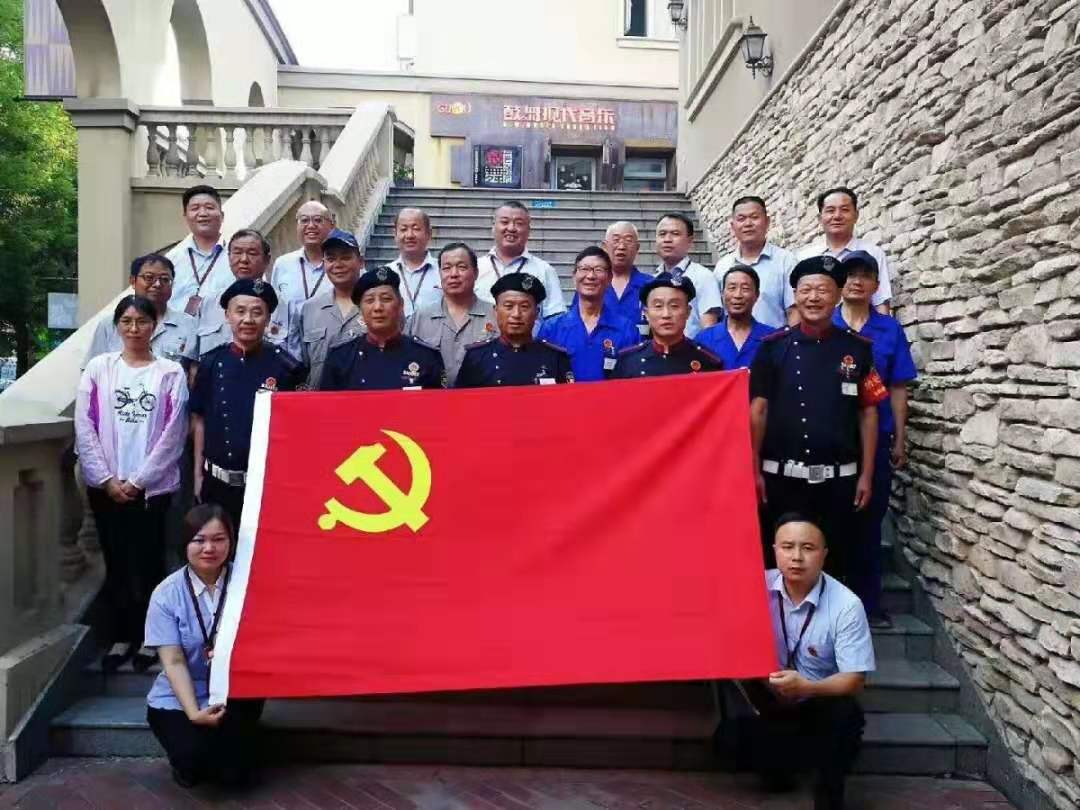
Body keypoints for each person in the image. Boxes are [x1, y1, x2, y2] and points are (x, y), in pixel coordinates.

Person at [749, 256, 888, 580]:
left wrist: (867, 475)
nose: (813, 298)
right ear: (795, 295)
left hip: (839, 483)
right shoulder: (772, 348)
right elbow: (758, 410)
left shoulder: (858, 349)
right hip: (782, 481)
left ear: (837, 295)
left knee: (838, 564)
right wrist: (754, 469)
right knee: (778, 566)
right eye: (806, 290)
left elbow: (868, 412)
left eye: (823, 290)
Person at [75, 295, 189, 673]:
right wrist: (107, 480)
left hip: (151, 491)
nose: (134, 329)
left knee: (150, 562)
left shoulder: (170, 373)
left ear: (154, 326)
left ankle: (151, 639)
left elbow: (173, 434)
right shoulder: (100, 368)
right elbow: (85, 427)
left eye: (142, 322)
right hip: (106, 488)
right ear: (117, 326)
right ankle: (121, 636)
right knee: (116, 562)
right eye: (127, 322)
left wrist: (139, 481)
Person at [744, 513, 873, 810]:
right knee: (728, 741)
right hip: (769, 697)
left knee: (846, 715)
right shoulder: (753, 587)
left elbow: (854, 679)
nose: (797, 557)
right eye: (787, 547)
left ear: (824, 554)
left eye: (808, 548)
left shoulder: (846, 605)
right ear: (774, 550)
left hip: (817, 700)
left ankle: (829, 796)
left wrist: (806, 687)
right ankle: (780, 769)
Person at [145, 504, 265, 788]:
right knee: (191, 763)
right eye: (199, 540)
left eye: (219, 539)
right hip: (179, 697)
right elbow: (173, 661)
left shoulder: (249, 583)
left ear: (231, 543)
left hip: (233, 692)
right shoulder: (166, 594)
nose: (209, 548)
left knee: (233, 776)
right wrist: (193, 713)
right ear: (185, 544)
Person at [832, 251, 917, 627]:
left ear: (875, 285)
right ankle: (830, 603)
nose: (856, 281)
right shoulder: (826, 323)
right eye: (849, 274)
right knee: (831, 520)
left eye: (864, 275)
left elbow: (898, 387)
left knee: (869, 521)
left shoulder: (889, 330)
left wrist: (899, 438)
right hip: (831, 437)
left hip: (876, 437)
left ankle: (868, 603)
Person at [190, 279, 306, 529]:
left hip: (267, 485)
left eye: (257, 312)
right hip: (217, 482)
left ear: (268, 318)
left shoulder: (286, 367)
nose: (248, 320)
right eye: (240, 311)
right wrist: (198, 474)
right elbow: (199, 420)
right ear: (227, 316)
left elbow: (295, 430)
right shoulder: (211, 363)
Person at [320, 266, 446, 391]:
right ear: (360, 309)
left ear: (401, 304)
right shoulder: (340, 358)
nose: (378, 307)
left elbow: (439, 402)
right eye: (369, 300)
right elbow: (326, 403)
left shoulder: (426, 356)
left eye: (386, 299)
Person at [194, 229, 300, 359]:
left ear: (267, 259)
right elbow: (193, 362)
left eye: (252, 253)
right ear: (229, 257)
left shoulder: (286, 306)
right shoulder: (207, 304)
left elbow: (295, 361)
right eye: (237, 252)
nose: (244, 259)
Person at [538, 246, 639, 381]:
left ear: (609, 278)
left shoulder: (626, 329)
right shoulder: (552, 328)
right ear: (574, 276)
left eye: (598, 270)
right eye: (584, 269)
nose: (590, 276)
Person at [456, 272, 574, 387]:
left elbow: (567, 398)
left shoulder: (555, 357)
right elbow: (461, 399)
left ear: (536, 313)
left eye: (524, 307)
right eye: (509, 306)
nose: (516, 314)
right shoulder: (476, 357)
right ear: (496, 311)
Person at [407, 242, 497, 386]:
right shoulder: (420, 317)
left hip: (481, 396)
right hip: (432, 397)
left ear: (476, 273)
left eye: (462, 267)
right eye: (446, 268)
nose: (453, 274)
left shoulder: (495, 316)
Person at [84, 254, 197, 368]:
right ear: (133, 281)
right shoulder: (110, 325)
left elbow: (194, 372)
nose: (157, 284)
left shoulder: (189, 325)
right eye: (149, 277)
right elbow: (91, 371)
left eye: (165, 279)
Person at [796, 187, 892, 315]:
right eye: (830, 210)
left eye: (845, 210)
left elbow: (881, 302)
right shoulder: (805, 258)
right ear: (820, 218)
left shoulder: (873, 253)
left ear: (856, 215)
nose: (837, 216)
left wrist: (883, 326)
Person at [611, 273, 724, 378]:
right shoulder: (627, 362)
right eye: (658, 306)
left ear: (688, 312)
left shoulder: (708, 362)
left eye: (674, 306)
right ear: (646, 313)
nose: (666, 314)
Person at [713, 196, 797, 328]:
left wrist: (793, 339)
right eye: (741, 219)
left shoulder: (785, 261)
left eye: (754, 217)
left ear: (767, 222)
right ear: (733, 226)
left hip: (776, 339)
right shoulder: (723, 266)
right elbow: (717, 314)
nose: (748, 224)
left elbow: (794, 310)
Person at [299, 228, 366, 390]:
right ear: (324, 264)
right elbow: (305, 364)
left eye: (345, 257)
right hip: (320, 402)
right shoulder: (310, 309)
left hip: (364, 400)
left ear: (361, 262)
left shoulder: (376, 307)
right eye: (331, 259)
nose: (338, 265)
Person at [476, 201, 567, 319]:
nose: (511, 228)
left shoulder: (544, 270)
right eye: (504, 222)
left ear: (529, 230)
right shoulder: (475, 268)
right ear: (493, 227)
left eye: (519, 223)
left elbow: (555, 317)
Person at [653, 212, 721, 338]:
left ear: (690, 241)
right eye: (662, 234)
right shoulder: (654, 279)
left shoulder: (703, 277)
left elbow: (709, 330)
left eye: (675, 234)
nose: (667, 239)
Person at [696, 265, 777, 369]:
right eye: (732, 288)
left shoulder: (772, 339)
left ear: (756, 295)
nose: (737, 295)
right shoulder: (704, 339)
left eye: (745, 289)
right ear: (722, 294)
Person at [166, 185, 229, 316]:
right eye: (195, 208)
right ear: (185, 217)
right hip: (179, 328)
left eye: (209, 207)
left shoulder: (238, 257)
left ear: (222, 215)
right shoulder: (171, 259)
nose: (203, 213)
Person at [269, 200, 335, 308]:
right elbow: (275, 309)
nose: (311, 226)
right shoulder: (282, 264)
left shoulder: (344, 264)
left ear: (332, 226)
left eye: (318, 220)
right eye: (304, 220)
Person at [600, 221, 652, 337]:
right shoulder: (592, 283)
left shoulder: (651, 285)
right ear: (604, 247)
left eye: (628, 240)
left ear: (637, 248)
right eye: (616, 240)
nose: (621, 246)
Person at [388, 207, 442, 318]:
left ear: (429, 233)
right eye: (403, 229)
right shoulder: (385, 274)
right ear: (395, 234)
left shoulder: (444, 272)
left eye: (416, 229)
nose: (409, 235)